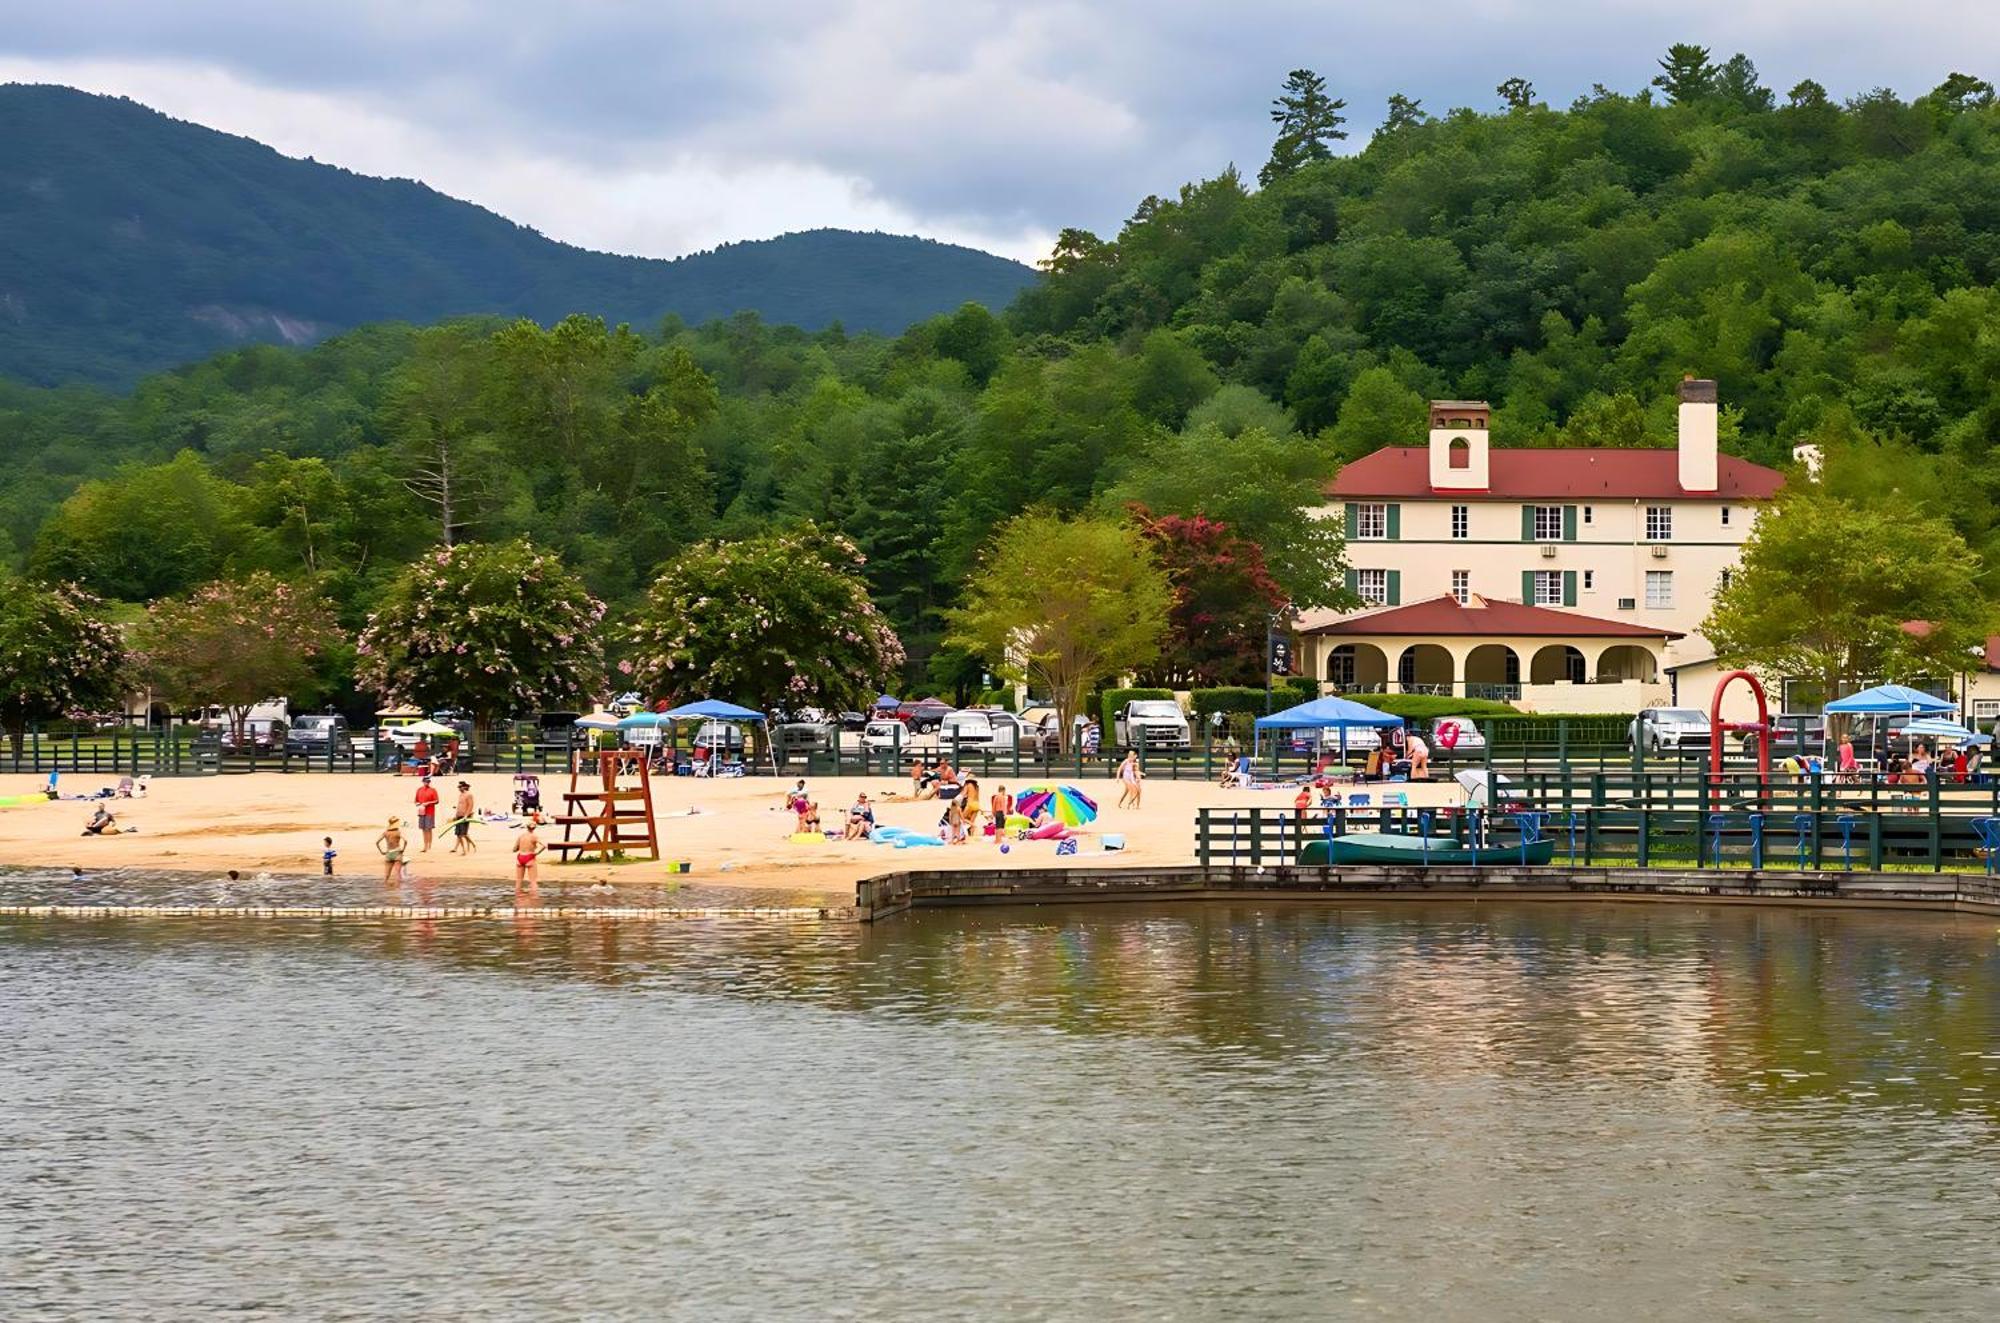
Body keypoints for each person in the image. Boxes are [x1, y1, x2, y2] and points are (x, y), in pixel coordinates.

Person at [513, 821, 545, 890]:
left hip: (520, 857)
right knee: (533, 882)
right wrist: (537, 853)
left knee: (518, 881)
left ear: (526, 827)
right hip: (530, 857)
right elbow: (544, 846)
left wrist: (522, 847)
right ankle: (534, 898)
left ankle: (518, 898)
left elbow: (514, 849)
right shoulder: (534, 836)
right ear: (535, 828)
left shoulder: (521, 836)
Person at [376, 817, 406, 884]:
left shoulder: (386, 833)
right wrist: (403, 849)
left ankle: (386, 889)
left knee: (386, 876)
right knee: (397, 875)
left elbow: (377, 842)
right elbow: (405, 840)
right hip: (397, 853)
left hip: (388, 854)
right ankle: (398, 892)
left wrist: (381, 851)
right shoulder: (398, 832)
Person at [413, 776, 440, 852]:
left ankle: (429, 845)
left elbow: (437, 801)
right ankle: (425, 845)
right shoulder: (419, 790)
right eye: (425, 781)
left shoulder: (433, 790)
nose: (427, 783)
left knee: (429, 828)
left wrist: (428, 803)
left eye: (428, 782)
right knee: (423, 829)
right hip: (422, 811)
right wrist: (418, 804)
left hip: (430, 811)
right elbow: (415, 800)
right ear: (423, 782)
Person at [452, 781, 477, 854]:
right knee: (458, 834)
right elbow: (459, 806)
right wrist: (455, 815)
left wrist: (466, 815)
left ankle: (472, 844)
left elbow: (470, 805)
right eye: (459, 787)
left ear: (464, 787)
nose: (459, 788)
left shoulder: (469, 795)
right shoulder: (460, 795)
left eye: (460, 787)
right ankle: (463, 850)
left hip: (465, 816)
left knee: (463, 833)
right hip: (459, 815)